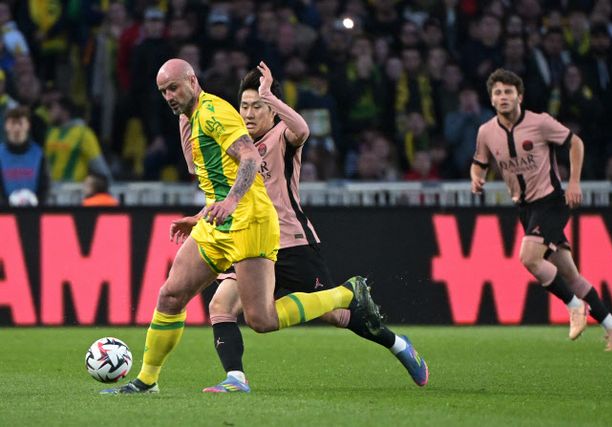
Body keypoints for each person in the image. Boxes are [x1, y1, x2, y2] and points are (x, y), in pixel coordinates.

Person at [101, 59, 382, 394]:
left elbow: (250, 158)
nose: (169, 96)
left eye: (174, 88)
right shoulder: (190, 117)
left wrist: (231, 202)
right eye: (163, 92)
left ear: (192, 81)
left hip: (250, 219)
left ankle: (346, 293)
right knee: (171, 295)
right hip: (217, 222)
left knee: (261, 320)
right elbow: (202, 170)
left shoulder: (214, 113)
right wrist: (201, 214)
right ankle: (147, 380)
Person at [170, 62, 428, 393]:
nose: (248, 113)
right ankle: (235, 378)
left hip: (290, 241)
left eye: (257, 106)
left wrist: (271, 96)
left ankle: (398, 344)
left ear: (272, 110)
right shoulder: (233, 142)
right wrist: (200, 213)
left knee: (334, 314)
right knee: (221, 306)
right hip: (247, 239)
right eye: (244, 106)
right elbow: (215, 183)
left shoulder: (282, 135)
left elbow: (303, 130)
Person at [471, 68, 612, 351]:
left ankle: (574, 307)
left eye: (508, 92)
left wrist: (574, 183)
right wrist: (476, 177)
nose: (503, 97)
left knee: (529, 258)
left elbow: (575, 143)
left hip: (550, 201)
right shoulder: (486, 132)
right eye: (498, 93)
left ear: (519, 97)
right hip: (524, 208)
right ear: (492, 99)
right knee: (571, 275)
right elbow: (479, 162)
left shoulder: (540, 122)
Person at [45, 97, 112, 183]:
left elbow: (97, 164)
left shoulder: (83, 133)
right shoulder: (51, 132)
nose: (50, 111)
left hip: (73, 188)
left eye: (53, 108)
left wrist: (109, 184)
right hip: (50, 187)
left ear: (64, 111)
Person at [0, 106, 49, 206]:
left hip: (33, 210)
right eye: (13, 123)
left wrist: (38, 205)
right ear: (6, 126)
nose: (17, 128)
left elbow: (45, 185)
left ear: (28, 126)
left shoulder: (38, 154)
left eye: (20, 123)